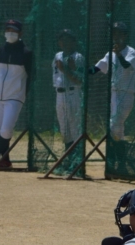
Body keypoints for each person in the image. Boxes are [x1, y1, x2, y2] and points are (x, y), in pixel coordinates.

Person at [0, 19, 33, 170]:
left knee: (6, 130)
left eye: (14, 31)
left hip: (15, 96)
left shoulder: (26, 53)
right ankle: (5, 160)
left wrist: (24, 93)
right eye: (8, 30)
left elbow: (32, 75)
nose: (10, 33)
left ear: (20, 33)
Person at [90, 22, 135, 142]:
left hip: (126, 93)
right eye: (114, 33)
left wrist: (119, 55)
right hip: (114, 93)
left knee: (115, 123)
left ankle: (115, 148)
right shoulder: (110, 54)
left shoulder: (131, 51)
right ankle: (119, 151)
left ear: (125, 35)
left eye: (119, 33)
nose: (116, 36)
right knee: (118, 126)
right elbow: (97, 68)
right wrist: (82, 72)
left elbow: (127, 65)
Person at [52, 29, 85, 162]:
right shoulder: (57, 55)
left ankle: (77, 160)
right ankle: (69, 159)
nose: (64, 42)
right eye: (62, 39)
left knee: (75, 128)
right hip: (59, 95)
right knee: (64, 129)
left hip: (73, 93)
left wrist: (66, 69)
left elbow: (80, 80)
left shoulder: (78, 57)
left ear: (73, 42)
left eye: (67, 39)